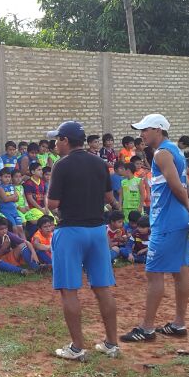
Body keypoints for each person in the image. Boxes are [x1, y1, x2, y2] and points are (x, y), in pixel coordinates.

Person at [121, 113, 189, 343]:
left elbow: (177, 186)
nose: (142, 134)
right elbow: (187, 184)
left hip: (167, 221)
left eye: (145, 130)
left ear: (158, 129)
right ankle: (178, 323)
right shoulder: (175, 151)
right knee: (180, 270)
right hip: (176, 219)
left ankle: (146, 328)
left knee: (154, 273)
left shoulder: (162, 153)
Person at [46, 120, 120, 361]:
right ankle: (111, 343)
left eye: (57, 139)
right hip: (98, 231)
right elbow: (110, 198)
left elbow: (52, 204)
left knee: (69, 291)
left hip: (71, 231)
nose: (55, 144)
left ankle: (77, 348)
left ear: (66, 140)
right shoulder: (100, 163)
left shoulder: (61, 165)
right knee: (102, 288)